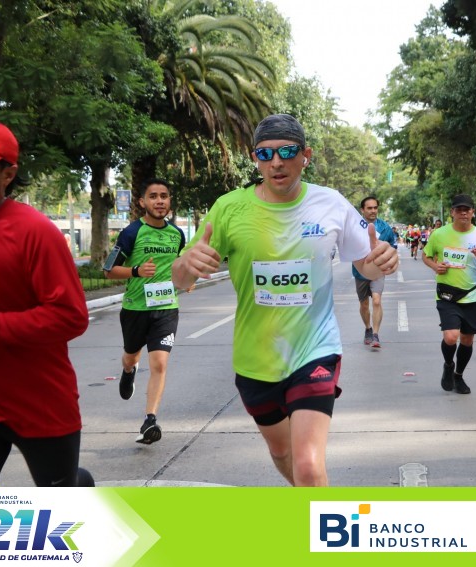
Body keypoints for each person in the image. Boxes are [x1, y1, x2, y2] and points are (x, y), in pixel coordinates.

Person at [171, 114, 398, 486]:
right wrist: (185, 264)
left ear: (306, 155)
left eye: (287, 152)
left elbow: (367, 265)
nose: (276, 162)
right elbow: (182, 280)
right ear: (255, 158)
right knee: (282, 454)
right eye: (265, 154)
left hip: (315, 350)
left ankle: (319, 524)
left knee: (308, 464)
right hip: (255, 358)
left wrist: (382, 262)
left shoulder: (331, 203)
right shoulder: (229, 208)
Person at [0, 116, 92, 486]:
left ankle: (78, 485)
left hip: (38, 398)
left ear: (7, 175)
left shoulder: (34, 232)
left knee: (60, 506)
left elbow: (71, 317)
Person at [103, 179, 186, 444]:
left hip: (166, 308)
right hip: (135, 309)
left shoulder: (177, 234)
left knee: (159, 363)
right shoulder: (131, 233)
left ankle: (150, 420)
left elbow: (179, 266)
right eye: (153, 196)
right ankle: (128, 372)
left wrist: (187, 279)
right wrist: (136, 271)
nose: (159, 201)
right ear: (142, 202)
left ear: (169, 201)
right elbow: (108, 270)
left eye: (164, 196)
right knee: (131, 357)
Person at [422, 194, 476, 395]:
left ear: (473, 212)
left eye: (467, 209)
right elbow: (426, 256)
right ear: (452, 212)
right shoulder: (439, 234)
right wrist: (435, 266)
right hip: (447, 294)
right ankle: (448, 364)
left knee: (466, 340)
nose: (463, 213)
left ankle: (458, 375)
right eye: (459, 209)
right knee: (451, 336)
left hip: (472, 294)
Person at [352, 196, 398, 348]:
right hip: (360, 271)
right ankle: (368, 329)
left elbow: (393, 247)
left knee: (377, 301)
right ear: (362, 210)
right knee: (364, 304)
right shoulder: (354, 226)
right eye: (369, 208)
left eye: (375, 208)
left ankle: (376, 335)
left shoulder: (385, 227)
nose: (373, 211)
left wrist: (389, 258)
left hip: (378, 270)